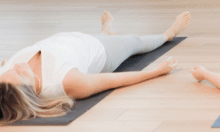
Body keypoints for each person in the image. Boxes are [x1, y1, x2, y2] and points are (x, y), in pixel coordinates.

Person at [0, 11, 190, 126]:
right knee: (134, 42)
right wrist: (157, 72)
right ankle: (168, 33)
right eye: (20, 73)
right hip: (100, 51)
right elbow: (114, 80)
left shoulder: (6, 79)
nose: (17, 66)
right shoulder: (68, 82)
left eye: (10, 70)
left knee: (103, 37)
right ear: (31, 93)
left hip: (71, 41)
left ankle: (106, 31)